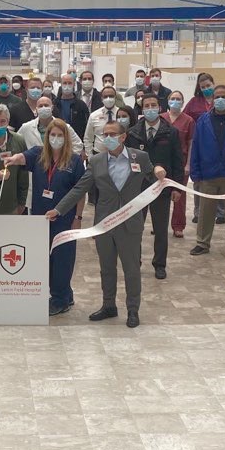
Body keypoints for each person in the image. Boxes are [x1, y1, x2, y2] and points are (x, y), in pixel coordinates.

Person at [49, 121, 165, 327]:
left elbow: (151, 172)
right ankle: (108, 305)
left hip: (130, 222)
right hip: (104, 223)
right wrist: (59, 209)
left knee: (131, 268)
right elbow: (79, 189)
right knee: (106, 268)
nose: (107, 138)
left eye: (112, 134)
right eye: (105, 134)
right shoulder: (96, 161)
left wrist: (158, 169)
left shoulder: (140, 157)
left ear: (123, 137)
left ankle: (132, 309)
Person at [0, 119, 87, 315]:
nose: (55, 139)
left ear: (66, 138)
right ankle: (65, 294)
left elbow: (80, 192)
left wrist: (78, 218)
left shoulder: (74, 161)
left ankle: (59, 299)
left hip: (65, 219)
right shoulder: (39, 154)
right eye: (52, 135)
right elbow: (22, 157)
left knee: (62, 259)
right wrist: (13, 159)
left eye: (59, 135)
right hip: (40, 216)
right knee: (44, 258)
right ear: (46, 137)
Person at [127, 94, 183, 279]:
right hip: (138, 188)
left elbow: (177, 161)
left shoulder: (171, 132)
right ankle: (135, 261)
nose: (150, 108)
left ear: (160, 108)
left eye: (153, 105)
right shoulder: (133, 132)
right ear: (142, 109)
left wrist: (177, 187)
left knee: (160, 229)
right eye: (146, 106)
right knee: (135, 229)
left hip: (162, 188)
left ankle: (160, 264)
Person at [188, 84, 225, 257]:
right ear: (212, 99)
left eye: (223, 96)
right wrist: (195, 172)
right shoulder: (203, 120)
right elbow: (196, 146)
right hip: (208, 173)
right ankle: (202, 242)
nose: (220, 100)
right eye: (217, 97)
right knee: (206, 210)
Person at [163, 91, 194, 239]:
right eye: (173, 99)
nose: (175, 101)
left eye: (178, 99)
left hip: (180, 163)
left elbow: (191, 143)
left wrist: (188, 164)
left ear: (183, 102)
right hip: (163, 163)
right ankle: (160, 224)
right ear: (168, 101)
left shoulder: (188, 121)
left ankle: (178, 226)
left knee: (179, 196)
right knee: (160, 196)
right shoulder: (161, 118)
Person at [20, 95, 84, 154]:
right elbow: (16, 142)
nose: (43, 108)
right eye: (40, 106)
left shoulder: (65, 127)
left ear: (52, 108)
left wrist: (66, 159)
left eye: (46, 105)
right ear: (36, 109)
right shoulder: (26, 127)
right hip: (34, 165)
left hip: (59, 165)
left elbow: (78, 145)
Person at [83, 86, 122, 154]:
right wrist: (90, 156)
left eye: (111, 96)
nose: (108, 99)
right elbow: (88, 138)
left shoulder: (121, 114)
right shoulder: (94, 115)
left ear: (115, 97)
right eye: (105, 96)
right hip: (99, 153)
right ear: (101, 98)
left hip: (118, 153)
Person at [53, 74, 91, 140]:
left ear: (74, 84)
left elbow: (87, 127)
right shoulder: (54, 104)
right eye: (64, 83)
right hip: (57, 139)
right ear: (61, 85)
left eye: (70, 83)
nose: (67, 85)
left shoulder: (81, 105)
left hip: (76, 141)